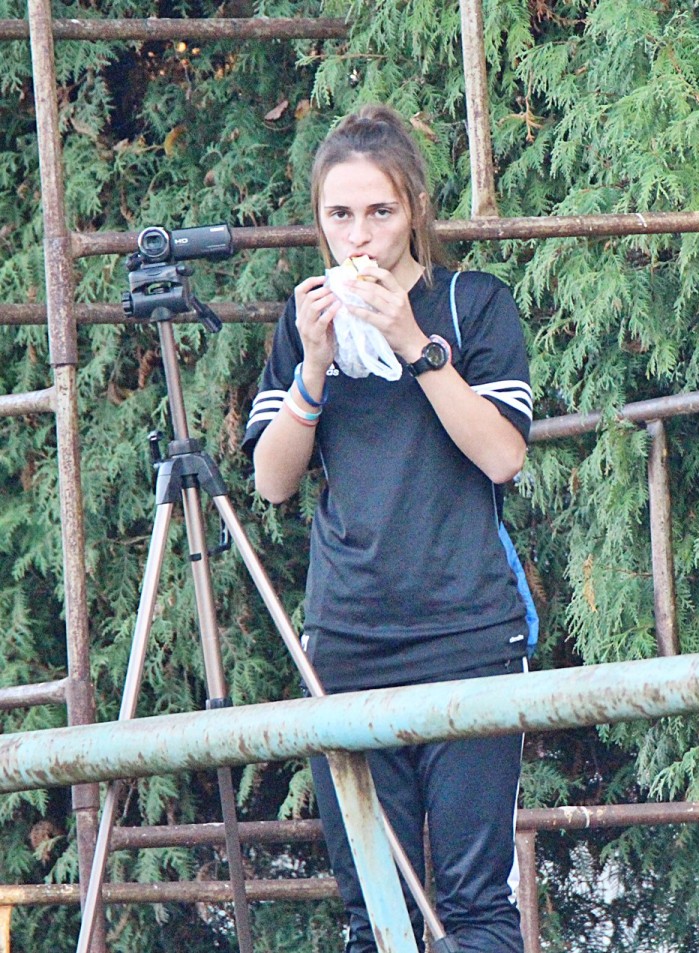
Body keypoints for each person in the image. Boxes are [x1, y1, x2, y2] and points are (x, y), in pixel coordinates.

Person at [242, 104, 534, 953]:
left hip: (470, 632)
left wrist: (413, 341)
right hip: (349, 639)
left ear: (415, 210)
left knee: (476, 906)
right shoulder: (305, 319)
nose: (360, 236)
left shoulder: (472, 304)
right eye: (340, 215)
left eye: (380, 211)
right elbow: (272, 482)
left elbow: (502, 456)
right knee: (374, 915)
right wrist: (314, 365)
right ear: (319, 220)